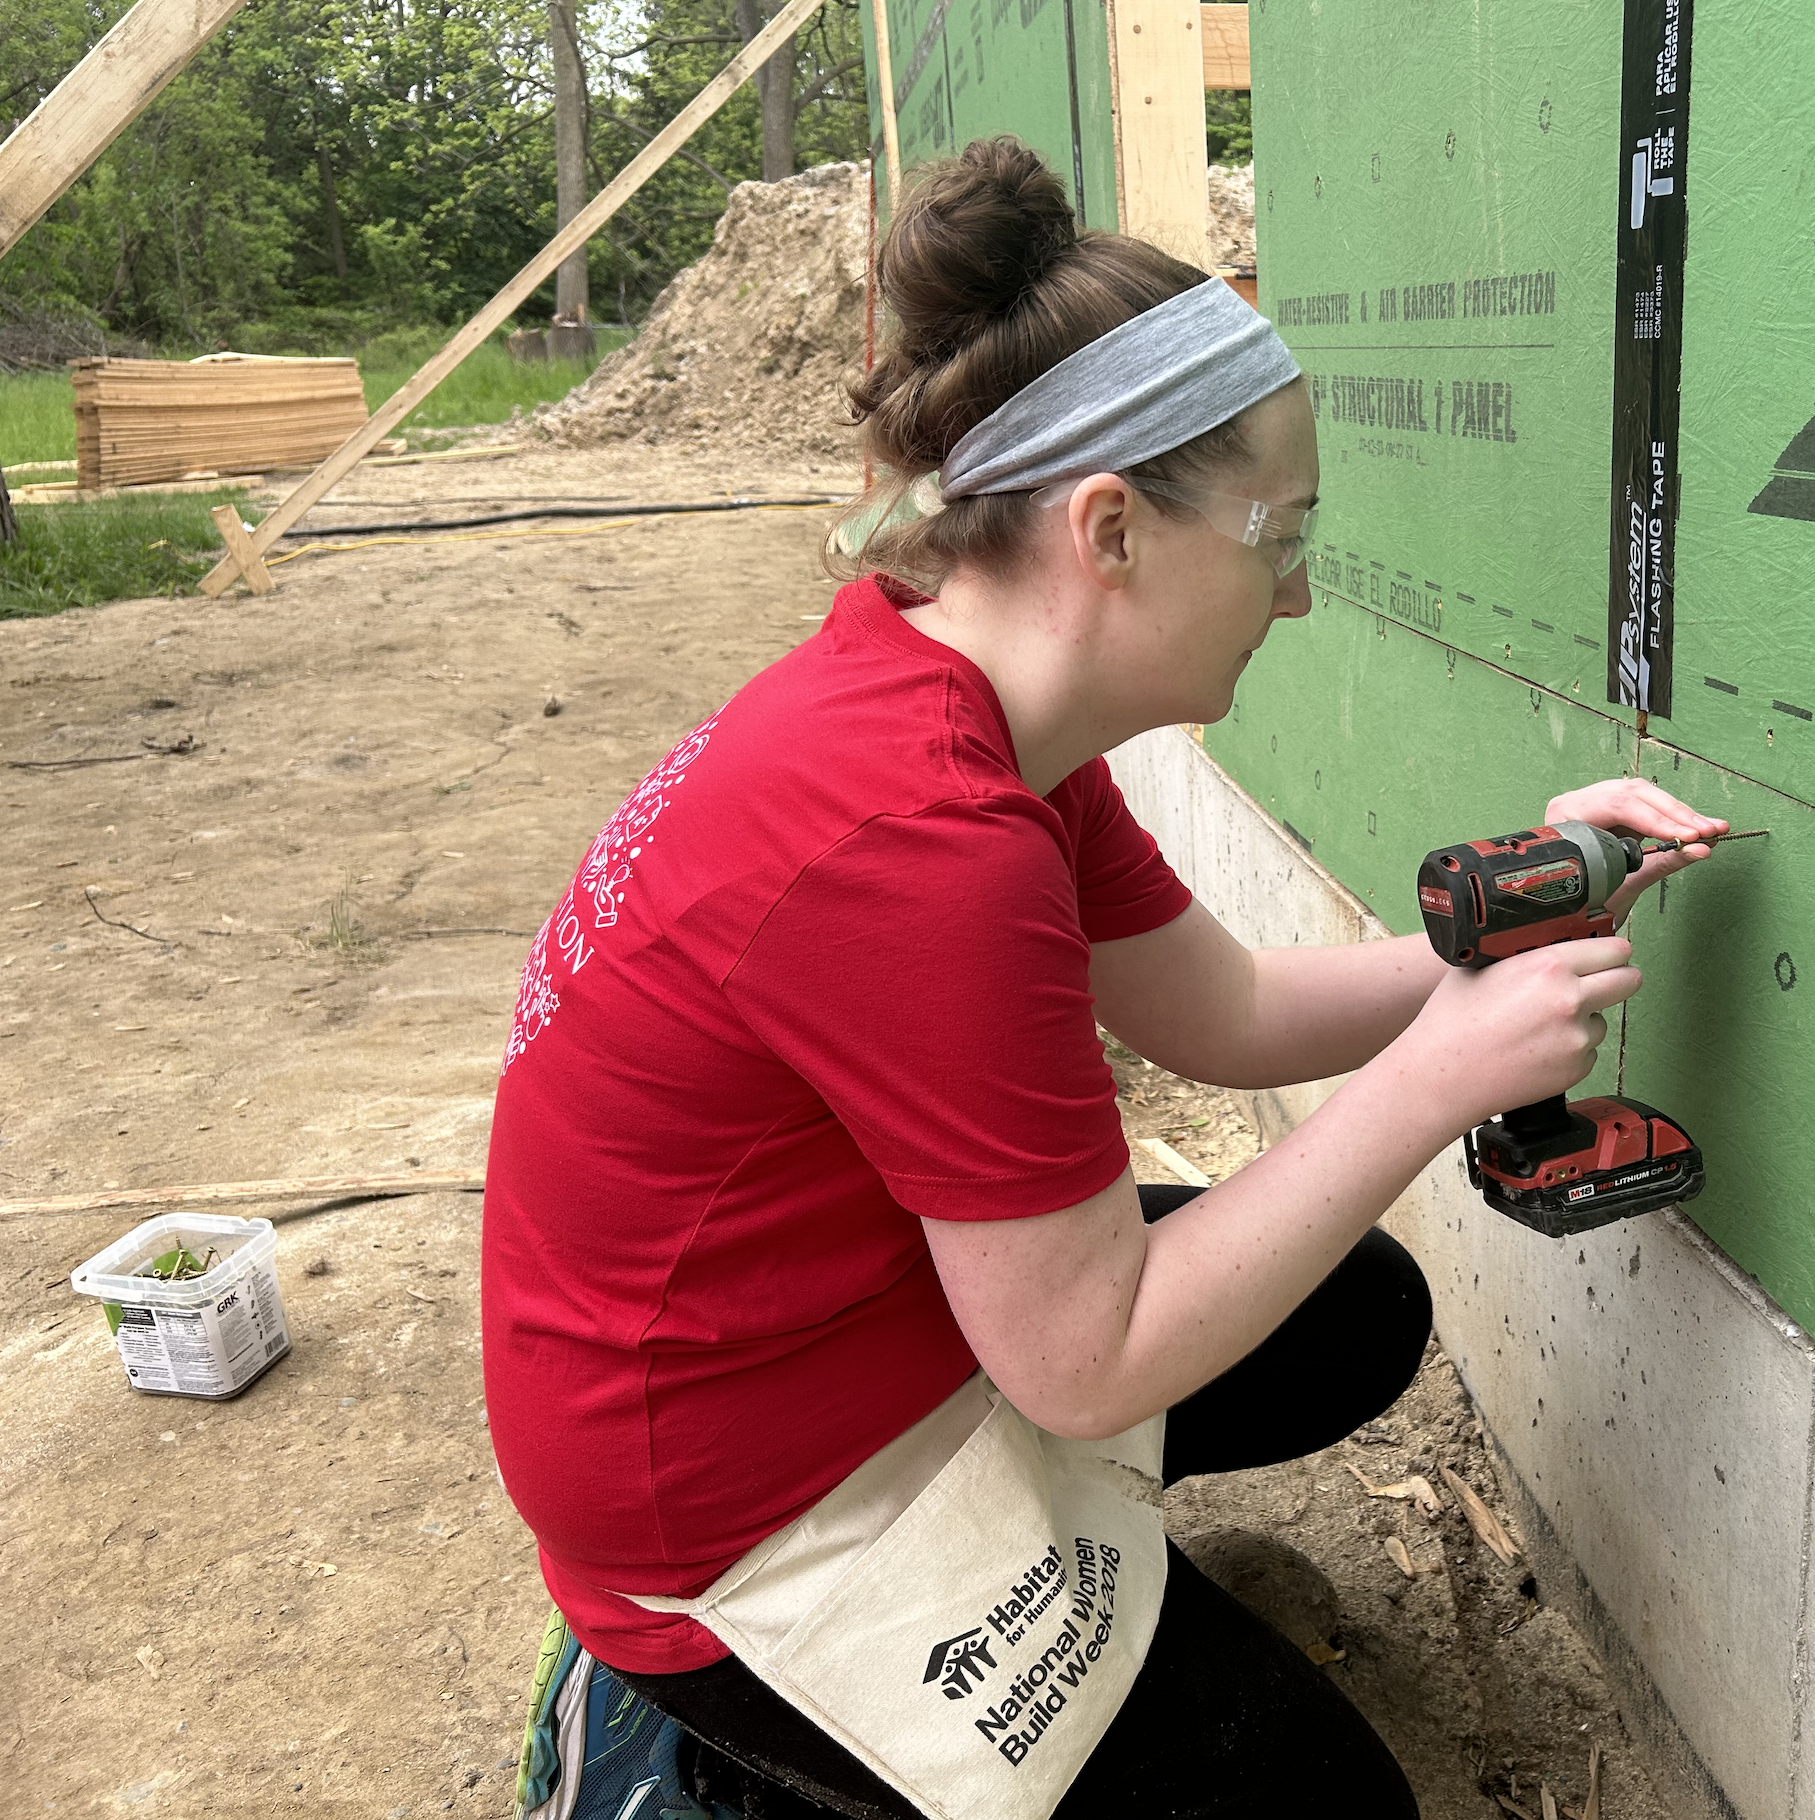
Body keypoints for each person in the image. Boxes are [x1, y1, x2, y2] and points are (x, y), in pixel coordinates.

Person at [481, 136, 1726, 1820]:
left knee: (1349, 1318)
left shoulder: (975, 723)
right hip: (723, 1523)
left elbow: (1223, 1018)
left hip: (833, 1331)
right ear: (1110, 528)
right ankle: (748, 1754)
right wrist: (1436, 1079)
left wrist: (1506, 914)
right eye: (1281, 536)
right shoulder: (919, 842)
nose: (1293, 598)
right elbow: (1085, 1361)